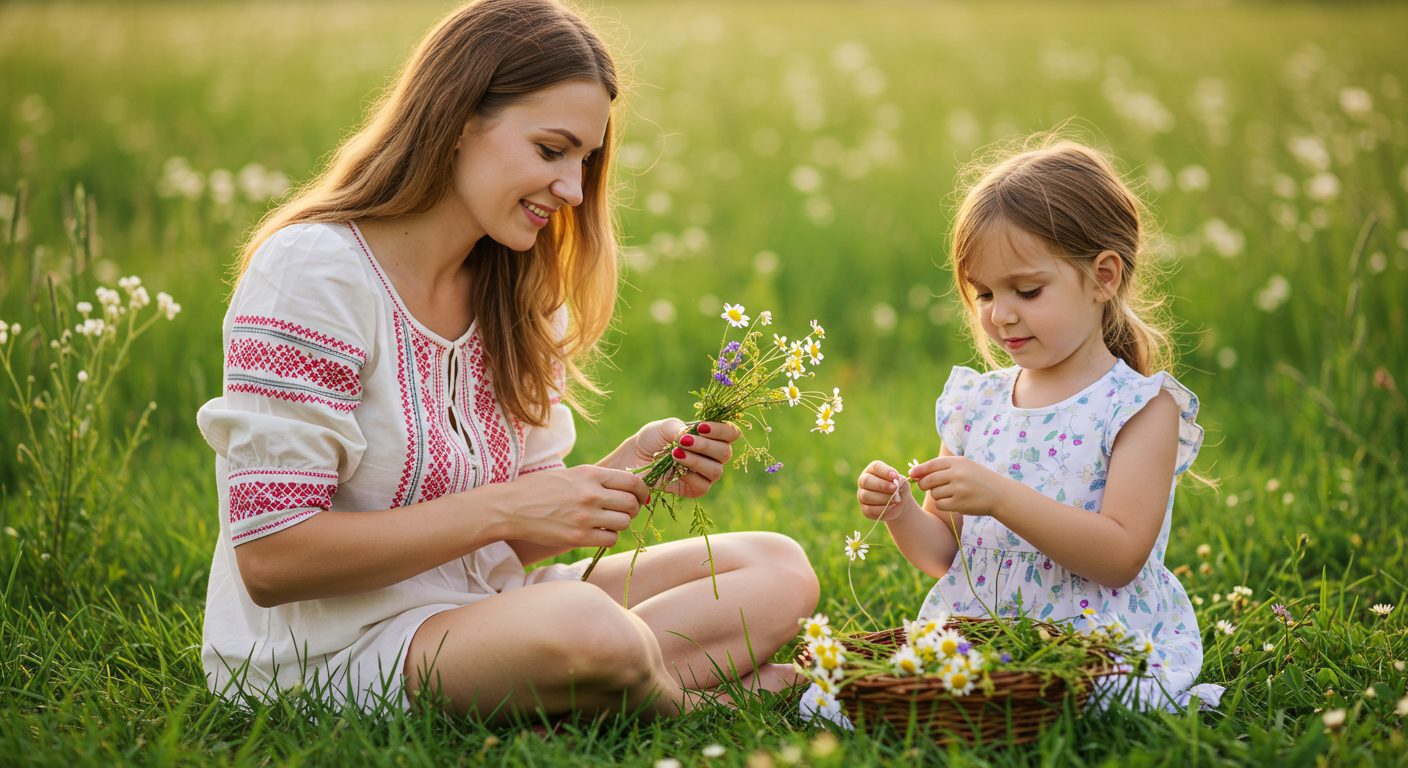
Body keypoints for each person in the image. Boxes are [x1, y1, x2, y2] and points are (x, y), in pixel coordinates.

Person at [196, 0, 818, 719]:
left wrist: (630, 470)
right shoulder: (314, 272)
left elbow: (515, 540)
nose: (574, 191)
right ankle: (690, 702)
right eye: (551, 151)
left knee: (776, 567)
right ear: (460, 121)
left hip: (487, 610)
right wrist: (503, 509)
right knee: (587, 628)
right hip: (329, 652)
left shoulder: (517, 288)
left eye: (585, 162)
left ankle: (609, 676)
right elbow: (273, 557)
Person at [839, 138, 1222, 716]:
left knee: (1100, 699)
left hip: (1094, 642)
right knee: (841, 698)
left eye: (1027, 290)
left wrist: (999, 496)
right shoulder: (974, 403)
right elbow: (947, 555)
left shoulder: (1138, 407)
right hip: (986, 638)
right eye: (986, 293)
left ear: (1104, 277)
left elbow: (1119, 555)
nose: (1001, 314)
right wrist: (900, 512)